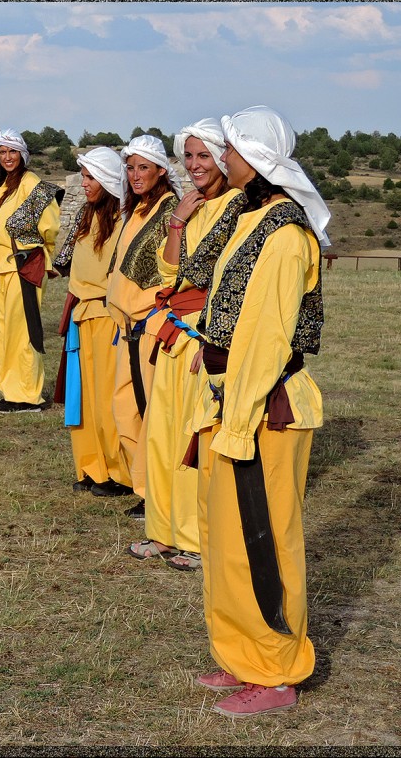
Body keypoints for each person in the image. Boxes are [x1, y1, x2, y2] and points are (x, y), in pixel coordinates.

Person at [190, 105, 329, 717]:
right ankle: (241, 654)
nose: (223, 159)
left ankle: (275, 672)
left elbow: (268, 337)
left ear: (257, 156)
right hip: (235, 404)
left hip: (264, 412)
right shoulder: (254, 217)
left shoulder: (284, 232)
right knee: (227, 542)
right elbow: (227, 308)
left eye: (230, 149)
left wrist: (239, 420)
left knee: (263, 540)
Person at [127, 119, 245, 570]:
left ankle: (197, 539)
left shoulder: (237, 207)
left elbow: (232, 281)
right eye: (189, 156)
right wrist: (177, 220)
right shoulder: (192, 206)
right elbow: (169, 271)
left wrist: (214, 340)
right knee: (163, 432)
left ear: (222, 158)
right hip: (175, 330)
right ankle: (163, 530)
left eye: (204, 155)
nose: (195, 165)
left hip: (203, 336)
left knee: (194, 437)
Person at [104, 135, 183, 514]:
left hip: (149, 325)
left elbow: (170, 272)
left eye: (144, 168)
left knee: (149, 411)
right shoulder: (135, 209)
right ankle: (142, 486)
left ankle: (156, 494)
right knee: (127, 408)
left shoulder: (170, 211)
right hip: (126, 329)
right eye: (131, 167)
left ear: (161, 171)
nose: (136, 175)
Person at [52, 147, 133, 495]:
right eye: (82, 176)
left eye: (90, 177)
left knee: (105, 398)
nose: (84, 184)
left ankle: (119, 473)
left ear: (109, 181)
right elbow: (65, 260)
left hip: (106, 315)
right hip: (81, 314)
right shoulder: (87, 214)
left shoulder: (123, 219)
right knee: (81, 397)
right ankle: (91, 467)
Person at [0, 130, 61, 413]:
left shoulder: (32, 184)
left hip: (22, 265)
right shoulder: (5, 184)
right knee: (2, 330)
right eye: (2, 152)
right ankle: (11, 391)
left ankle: (29, 396)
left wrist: (39, 254)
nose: (7, 157)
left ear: (22, 154)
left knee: (22, 332)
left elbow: (49, 226)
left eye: (12, 151)